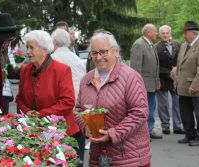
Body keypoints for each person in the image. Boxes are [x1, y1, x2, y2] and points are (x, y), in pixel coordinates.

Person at [75, 32, 151, 166]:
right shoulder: (86, 80)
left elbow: (139, 112)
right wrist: (84, 126)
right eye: (94, 53)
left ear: (115, 52)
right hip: (98, 156)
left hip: (128, 157)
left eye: (104, 52)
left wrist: (113, 133)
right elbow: (78, 109)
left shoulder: (130, 77)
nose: (98, 57)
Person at [15, 30, 85, 164]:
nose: (28, 52)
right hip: (36, 134)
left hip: (64, 134)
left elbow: (68, 102)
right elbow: (19, 99)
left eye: (31, 47)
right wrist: (28, 112)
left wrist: (40, 115)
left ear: (44, 50)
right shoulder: (25, 70)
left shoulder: (61, 70)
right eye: (27, 47)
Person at [175, 21, 199, 146]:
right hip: (183, 87)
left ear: (194, 33)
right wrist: (176, 81)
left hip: (197, 88)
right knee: (185, 113)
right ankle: (190, 134)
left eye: (186, 33)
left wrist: (194, 85)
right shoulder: (184, 45)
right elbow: (179, 66)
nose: (184, 35)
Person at [130, 23, 162, 139]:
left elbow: (155, 65)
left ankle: (149, 129)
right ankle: (143, 132)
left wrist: (157, 80)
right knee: (143, 109)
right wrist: (137, 85)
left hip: (152, 84)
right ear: (148, 32)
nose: (156, 33)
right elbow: (135, 68)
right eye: (155, 31)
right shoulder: (138, 45)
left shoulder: (151, 45)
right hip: (143, 85)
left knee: (151, 108)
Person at [155, 25, 184, 135]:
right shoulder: (156, 47)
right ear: (159, 34)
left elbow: (182, 59)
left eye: (167, 33)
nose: (165, 35)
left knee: (177, 103)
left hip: (176, 79)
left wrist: (177, 69)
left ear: (170, 33)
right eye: (163, 33)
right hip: (163, 79)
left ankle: (178, 126)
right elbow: (155, 65)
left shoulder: (177, 44)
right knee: (163, 105)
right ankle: (165, 126)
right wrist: (169, 73)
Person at [51, 28, 86, 99]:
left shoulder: (52, 59)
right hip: (82, 96)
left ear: (55, 42)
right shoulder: (76, 57)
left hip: (65, 99)